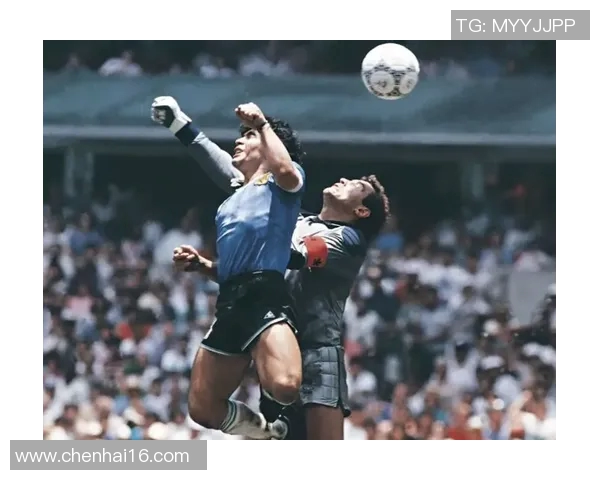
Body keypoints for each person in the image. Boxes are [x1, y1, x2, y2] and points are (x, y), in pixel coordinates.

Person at [163, 97, 390, 439]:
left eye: (354, 186)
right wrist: (208, 265)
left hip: (316, 350)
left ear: (361, 211)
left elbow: (301, 256)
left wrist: (259, 215)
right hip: (273, 335)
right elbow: (237, 186)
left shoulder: (348, 239)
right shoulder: (295, 219)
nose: (344, 179)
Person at [151, 97, 307, 440]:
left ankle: (299, 417)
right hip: (230, 300)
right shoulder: (233, 199)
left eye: (248, 136)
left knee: (285, 386)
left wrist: (262, 124)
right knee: (202, 408)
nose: (238, 140)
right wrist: (203, 265)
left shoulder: (284, 183)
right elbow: (213, 158)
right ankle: (268, 432)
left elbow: (283, 169)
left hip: (265, 296)